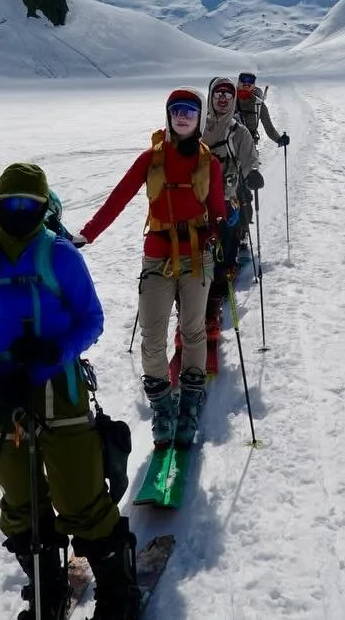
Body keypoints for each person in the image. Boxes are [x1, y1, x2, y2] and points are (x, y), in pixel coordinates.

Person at [0, 162, 140, 620]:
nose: (19, 212)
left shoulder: (61, 257)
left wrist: (53, 352)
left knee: (80, 494)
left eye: (29, 205)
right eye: (10, 204)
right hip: (1, 401)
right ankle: (46, 587)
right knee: (21, 503)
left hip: (61, 391)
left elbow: (91, 319)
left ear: (43, 208)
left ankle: (118, 591)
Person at [78, 89, 228, 451]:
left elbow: (218, 208)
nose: (182, 117)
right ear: (169, 116)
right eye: (176, 111)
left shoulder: (211, 164)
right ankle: (163, 408)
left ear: (198, 118)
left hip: (197, 256)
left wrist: (222, 227)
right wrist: (87, 234)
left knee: (193, 331)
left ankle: (189, 400)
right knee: (152, 335)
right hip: (158, 255)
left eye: (189, 112)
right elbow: (119, 197)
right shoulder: (151, 159)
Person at [203, 76, 264, 273]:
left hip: (227, 195)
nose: (223, 97)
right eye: (218, 93)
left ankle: (223, 278)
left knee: (228, 236)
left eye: (228, 93)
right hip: (198, 196)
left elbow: (249, 159)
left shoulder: (240, 132)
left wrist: (252, 173)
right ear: (211, 96)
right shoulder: (197, 126)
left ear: (233, 97)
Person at [235, 71, 289, 149]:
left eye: (251, 81)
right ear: (238, 83)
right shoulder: (229, 100)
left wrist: (279, 139)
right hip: (228, 145)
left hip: (248, 146)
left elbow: (269, 128)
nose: (246, 84)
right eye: (243, 80)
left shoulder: (259, 105)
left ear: (254, 85)